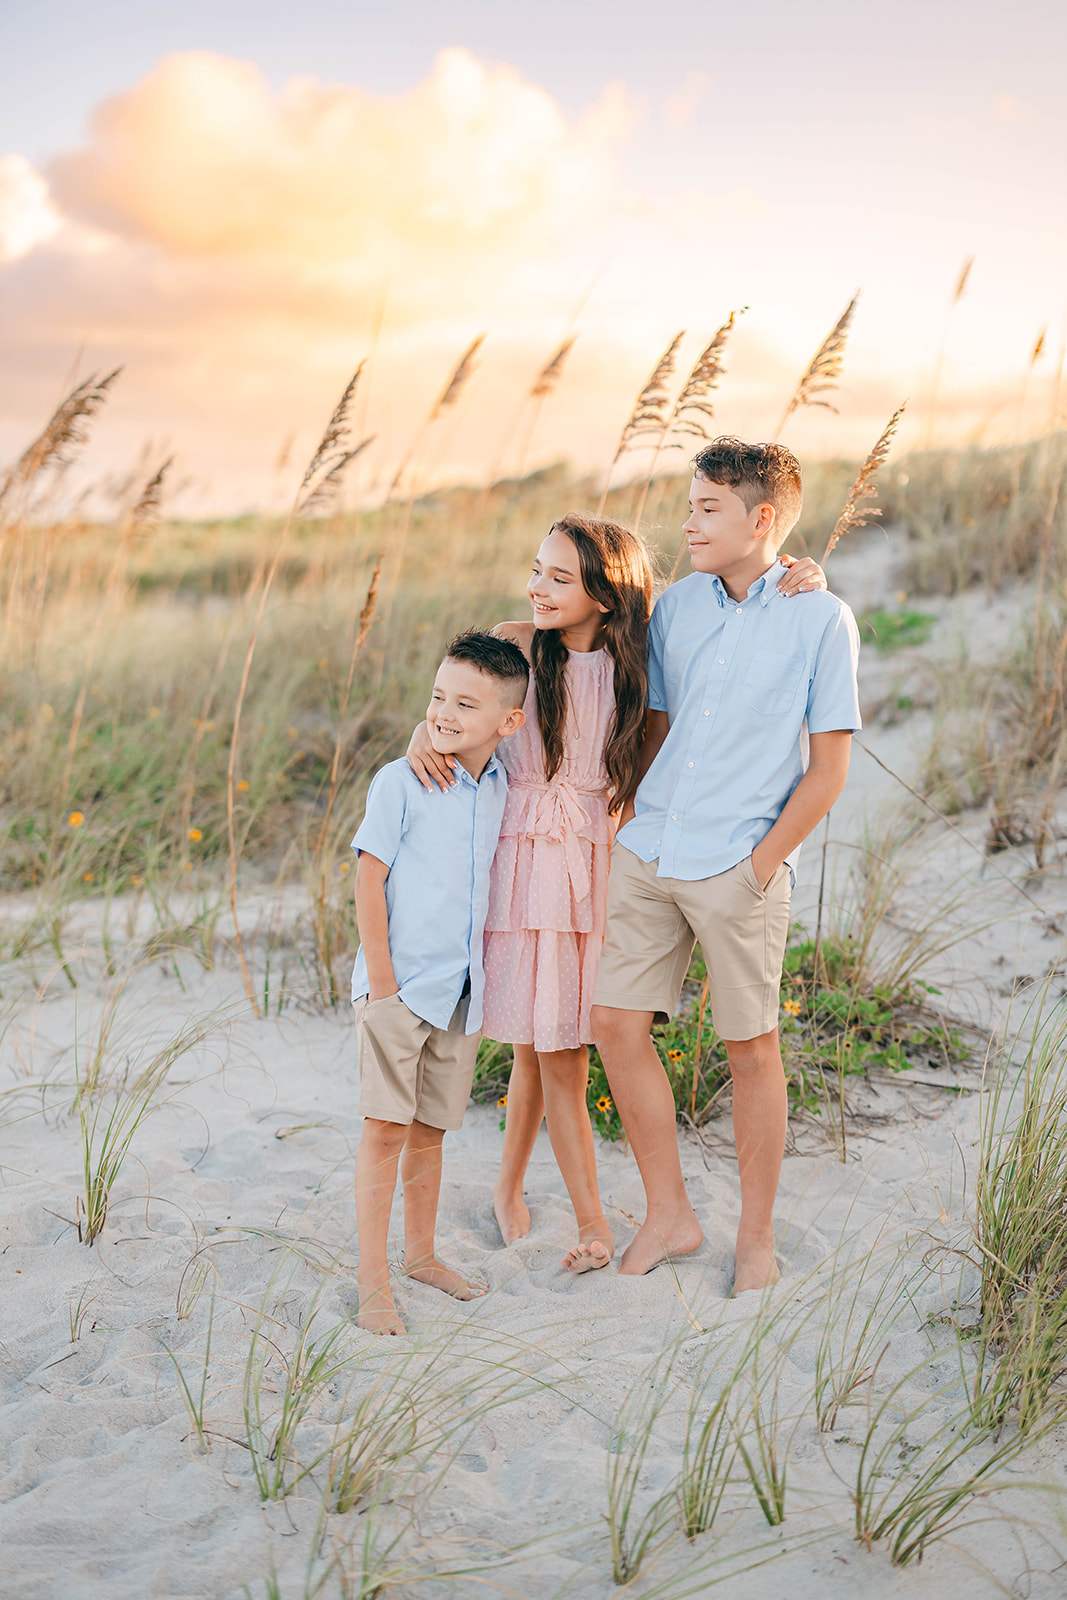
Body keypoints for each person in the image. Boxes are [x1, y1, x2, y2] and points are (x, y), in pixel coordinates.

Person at [407, 512, 828, 1274]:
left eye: (559, 577)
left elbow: (734, 609)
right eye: (536, 570)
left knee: (557, 1037)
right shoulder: (515, 646)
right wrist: (421, 733)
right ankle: (558, 1207)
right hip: (527, 862)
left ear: (605, 593)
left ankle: (530, 1195)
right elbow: (453, 706)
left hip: (603, 860)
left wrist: (803, 575)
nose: (538, 587)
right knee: (544, 1040)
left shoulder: (643, 650)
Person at [590, 438, 862, 1293]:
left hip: (738, 860)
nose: (688, 521)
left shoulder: (820, 617)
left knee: (751, 1048)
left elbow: (828, 771)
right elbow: (655, 724)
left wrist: (760, 864)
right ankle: (669, 1215)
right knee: (614, 1025)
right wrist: (632, 814)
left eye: (708, 507)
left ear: (762, 518)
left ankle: (753, 1239)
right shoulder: (677, 606)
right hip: (650, 847)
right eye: (690, 504)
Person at [351, 629, 529, 1334]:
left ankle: (421, 1255)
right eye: (437, 699)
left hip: (460, 993)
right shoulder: (402, 780)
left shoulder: (501, 787)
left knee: (430, 1132)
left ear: (508, 723)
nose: (446, 714)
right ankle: (372, 1282)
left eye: (466, 703)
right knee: (385, 1131)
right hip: (400, 989)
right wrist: (385, 985)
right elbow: (369, 877)